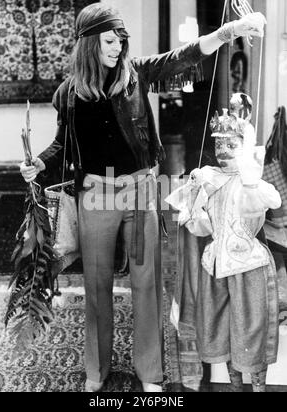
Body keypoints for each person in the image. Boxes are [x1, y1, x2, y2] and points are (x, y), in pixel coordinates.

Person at [20, 3, 267, 392]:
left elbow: (180, 58)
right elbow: (62, 145)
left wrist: (227, 32)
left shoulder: (136, 76)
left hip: (139, 190)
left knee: (147, 282)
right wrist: (38, 163)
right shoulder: (68, 94)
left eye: (121, 40)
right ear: (88, 43)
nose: (118, 47)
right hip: (95, 195)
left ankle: (150, 371)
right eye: (109, 41)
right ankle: (96, 371)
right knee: (96, 285)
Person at [166, 93, 282, 392]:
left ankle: (257, 389)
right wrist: (192, 196)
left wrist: (250, 174)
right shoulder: (209, 179)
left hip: (249, 267)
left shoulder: (252, 182)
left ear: (244, 147)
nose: (223, 150)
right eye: (219, 144)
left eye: (232, 145)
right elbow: (201, 227)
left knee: (249, 334)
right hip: (214, 266)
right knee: (222, 332)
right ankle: (234, 387)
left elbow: (273, 200)